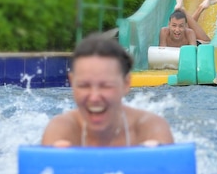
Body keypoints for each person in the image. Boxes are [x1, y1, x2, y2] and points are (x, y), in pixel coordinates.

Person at [41, 34, 174, 147]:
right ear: (72, 83)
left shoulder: (149, 129)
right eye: (84, 85)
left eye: (106, 85)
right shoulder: (61, 130)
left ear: (126, 83)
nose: (94, 97)